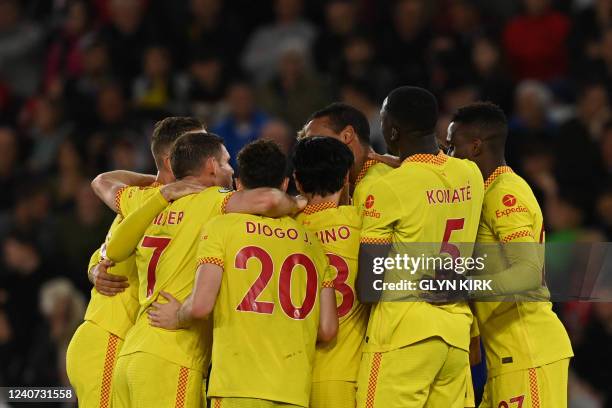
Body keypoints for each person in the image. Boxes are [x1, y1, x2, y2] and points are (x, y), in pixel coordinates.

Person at [95, 133, 305, 408]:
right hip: (174, 355)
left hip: (132, 355)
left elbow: (111, 236)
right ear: (211, 167)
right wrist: (300, 202)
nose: (232, 172)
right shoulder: (213, 200)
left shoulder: (149, 201)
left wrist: (162, 190)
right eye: (227, 163)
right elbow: (267, 200)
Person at [148, 140, 338, 408]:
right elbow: (328, 329)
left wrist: (178, 315)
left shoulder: (221, 228)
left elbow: (201, 306)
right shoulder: (312, 242)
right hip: (294, 390)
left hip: (237, 387)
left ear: (238, 184)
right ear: (285, 185)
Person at [356, 86, 484, 408]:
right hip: (454, 334)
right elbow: (432, 171)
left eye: (383, 121)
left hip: (402, 336)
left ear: (393, 130)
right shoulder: (470, 174)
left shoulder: (387, 187)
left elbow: (370, 287)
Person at [66, 116, 205, 408]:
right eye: (198, 146)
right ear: (171, 160)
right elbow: (100, 182)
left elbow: (103, 183)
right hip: (109, 337)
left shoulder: (141, 200)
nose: (207, 152)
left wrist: (94, 268)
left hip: (123, 343)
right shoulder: (161, 201)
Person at [446, 101, 573, 407]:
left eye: (452, 146)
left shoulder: (505, 193)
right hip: (506, 356)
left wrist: (464, 285)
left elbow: (527, 273)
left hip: (528, 352)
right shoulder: (487, 192)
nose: (448, 157)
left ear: (476, 146)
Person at [293, 136, 367, 408]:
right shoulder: (364, 224)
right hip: (347, 374)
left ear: (297, 181)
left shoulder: (285, 229)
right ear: (346, 178)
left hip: (291, 378)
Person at [300, 102, 393, 211]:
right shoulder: (332, 193)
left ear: (347, 135)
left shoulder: (381, 185)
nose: (309, 152)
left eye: (316, 141)